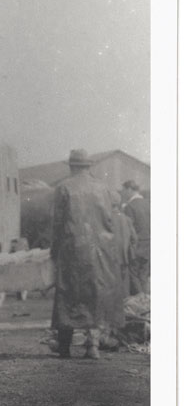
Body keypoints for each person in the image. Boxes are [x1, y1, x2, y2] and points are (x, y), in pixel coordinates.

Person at [50, 149, 123, 360]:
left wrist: (54, 251)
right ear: (89, 166)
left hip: (72, 248)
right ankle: (93, 346)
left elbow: (57, 224)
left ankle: (64, 346)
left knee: (68, 293)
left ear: (72, 166)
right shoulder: (104, 189)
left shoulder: (64, 188)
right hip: (100, 249)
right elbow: (111, 218)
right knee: (96, 295)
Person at [121, 180, 150, 294]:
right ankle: (147, 301)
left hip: (137, 245)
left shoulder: (129, 206)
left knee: (133, 273)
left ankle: (140, 300)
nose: (122, 193)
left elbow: (129, 230)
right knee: (144, 274)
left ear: (129, 189)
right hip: (149, 243)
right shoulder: (148, 203)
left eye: (123, 190)